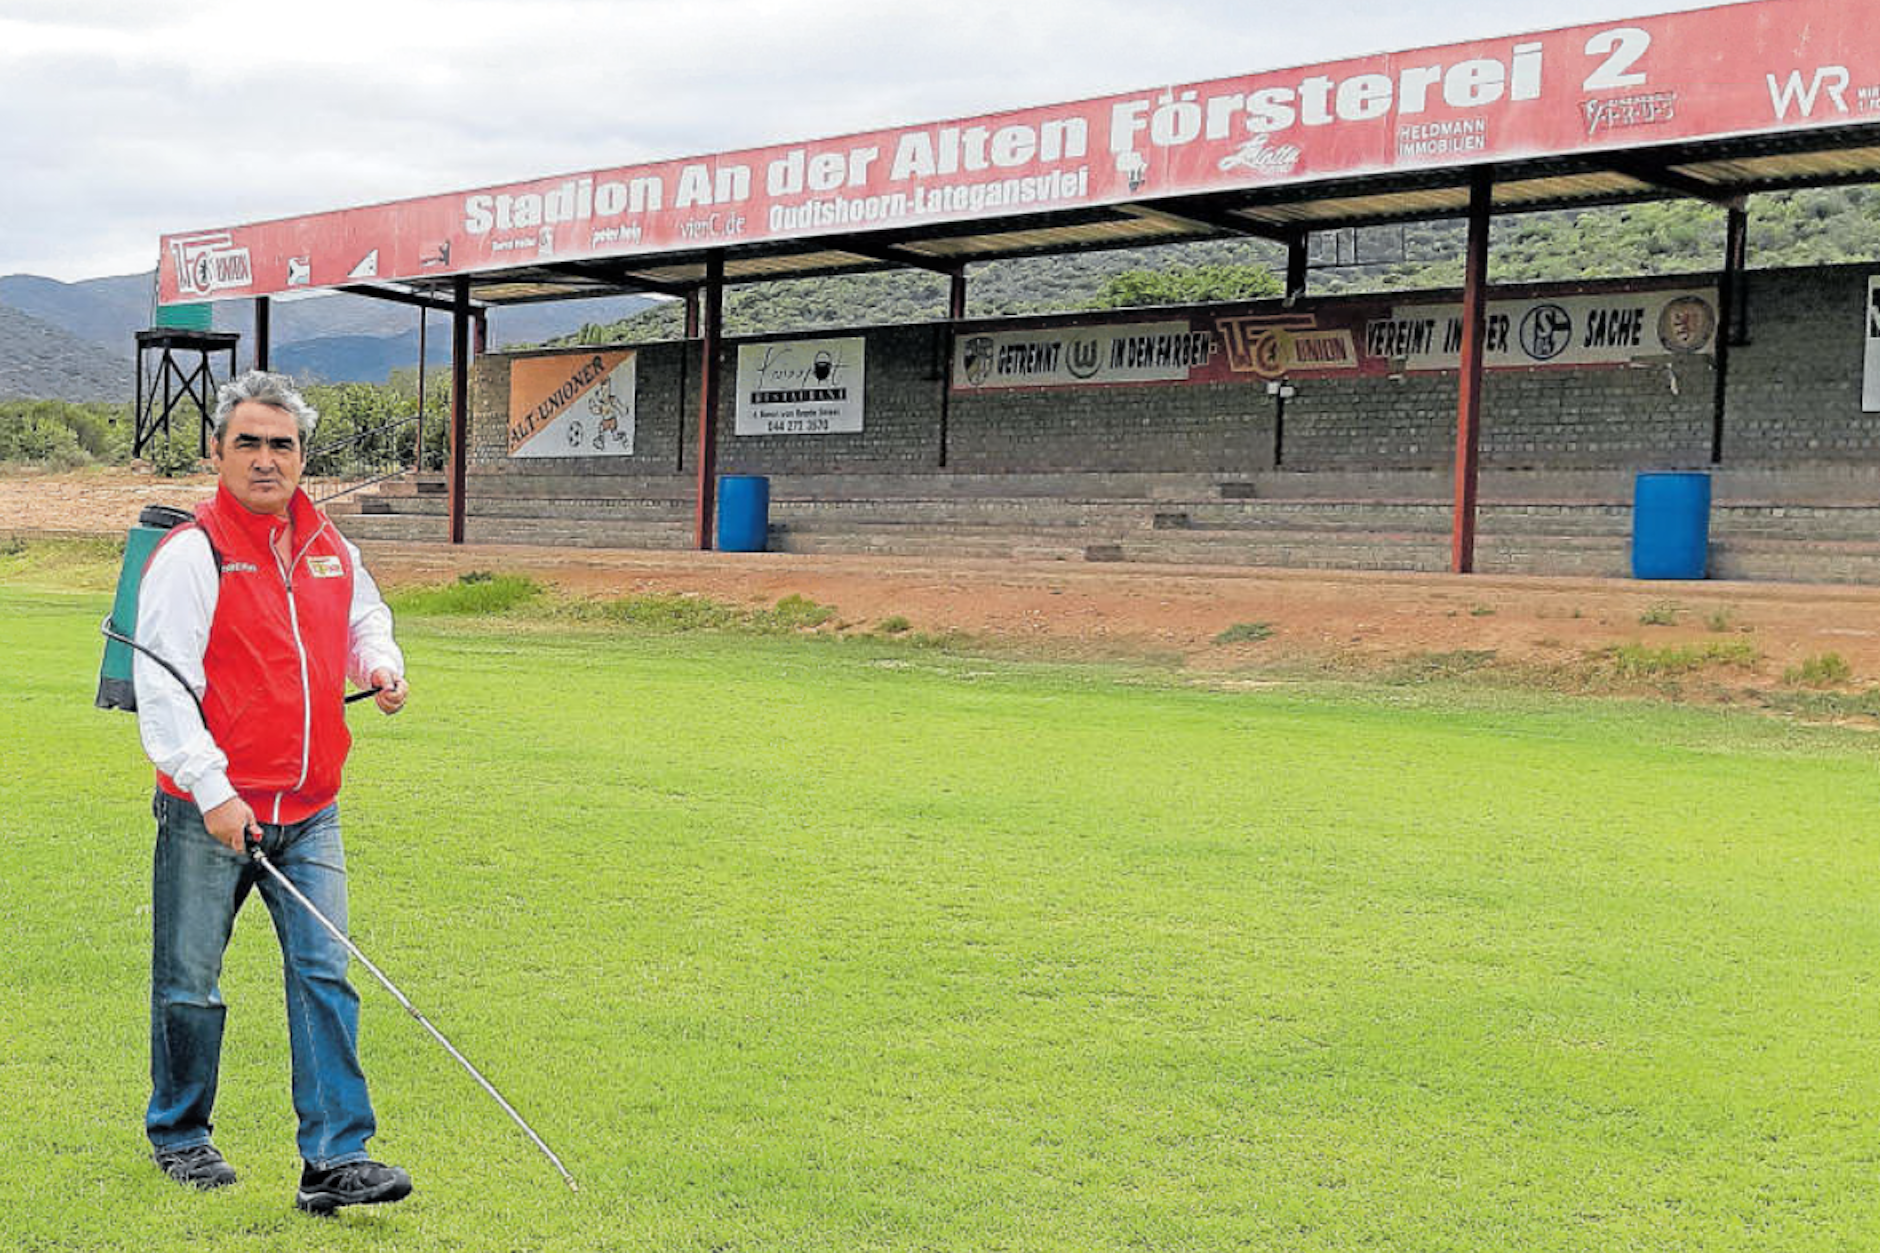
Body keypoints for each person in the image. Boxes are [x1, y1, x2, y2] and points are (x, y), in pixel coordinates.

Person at [133, 370, 414, 1214]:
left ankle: (336, 1160)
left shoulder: (331, 544)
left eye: (281, 444)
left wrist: (380, 662)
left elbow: (365, 616)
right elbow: (162, 684)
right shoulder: (194, 553)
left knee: (326, 973)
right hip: (210, 811)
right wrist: (212, 790)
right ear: (217, 451)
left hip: (311, 806)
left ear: (303, 455)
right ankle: (180, 1134)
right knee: (190, 980)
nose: (265, 459)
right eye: (247, 442)